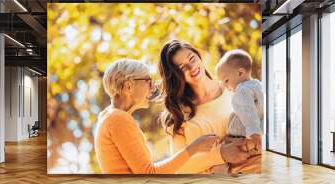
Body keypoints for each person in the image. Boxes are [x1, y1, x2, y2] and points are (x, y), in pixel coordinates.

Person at [94, 59, 221, 174]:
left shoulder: (110, 117)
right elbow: (149, 173)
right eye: (148, 81)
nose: (153, 87)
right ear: (129, 86)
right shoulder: (118, 119)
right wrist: (194, 148)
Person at [158, 40, 252, 174]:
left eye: (192, 59)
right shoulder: (178, 115)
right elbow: (179, 166)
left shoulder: (234, 88)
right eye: (182, 68)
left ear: (199, 56)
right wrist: (220, 154)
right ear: (175, 76)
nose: (191, 67)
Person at [216, 49, 264, 175]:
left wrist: (254, 133)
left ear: (240, 72)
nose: (226, 86)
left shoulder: (241, 90)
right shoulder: (259, 86)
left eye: (226, 80)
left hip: (241, 138)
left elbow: (247, 111)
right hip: (253, 138)